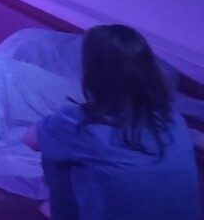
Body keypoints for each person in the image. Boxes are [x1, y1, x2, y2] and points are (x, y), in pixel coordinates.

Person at [24, 24, 201, 220]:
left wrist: (58, 124)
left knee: (54, 154)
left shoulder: (82, 123)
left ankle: (63, 213)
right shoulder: (174, 120)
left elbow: (30, 140)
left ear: (92, 73)